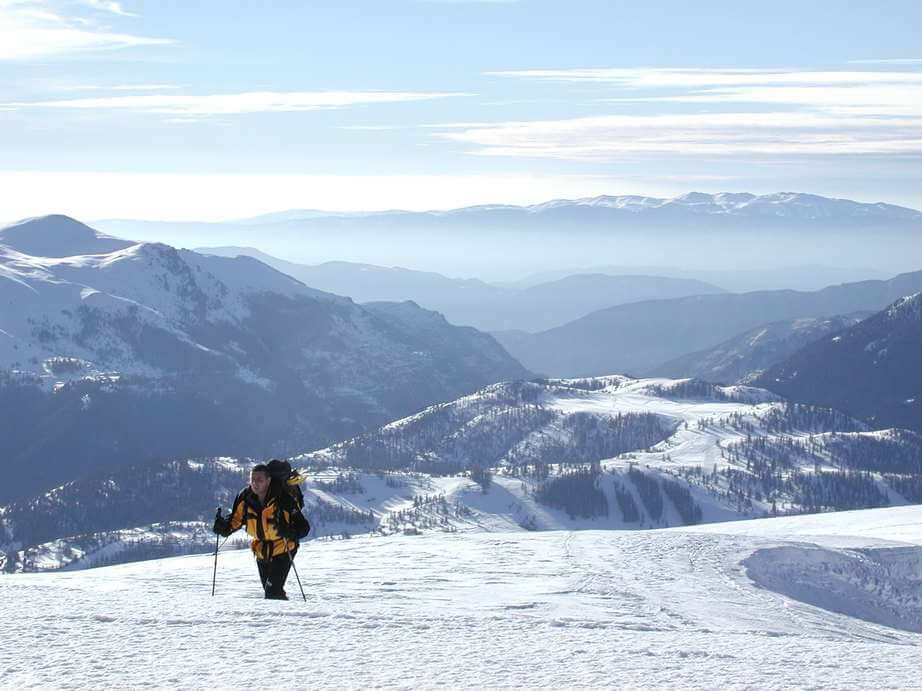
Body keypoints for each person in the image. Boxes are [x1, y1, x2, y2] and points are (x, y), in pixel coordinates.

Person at [213, 462, 310, 600]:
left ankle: (282, 612)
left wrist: (288, 532)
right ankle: (282, 612)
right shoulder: (244, 497)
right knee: (270, 592)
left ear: (268, 481)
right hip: (260, 549)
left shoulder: (283, 498)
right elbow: (235, 521)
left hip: (284, 547)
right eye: (252, 479)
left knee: (272, 591)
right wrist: (223, 528)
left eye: (259, 480)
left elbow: (304, 528)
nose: (255, 483)